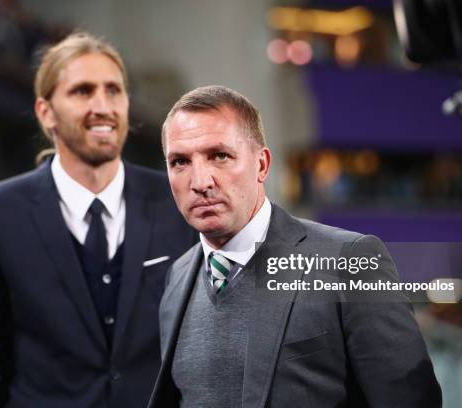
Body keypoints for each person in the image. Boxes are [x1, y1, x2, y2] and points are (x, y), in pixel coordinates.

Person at [149, 85, 442, 407]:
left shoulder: (348, 259)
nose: (200, 181)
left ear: (261, 165)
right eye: (180, 162)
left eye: (220, 156)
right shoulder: (176, 277)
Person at [0, 32, 196, 407]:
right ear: (45, 112)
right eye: (83, 91)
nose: (103, 106)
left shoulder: (179, 202)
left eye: (114, 90)